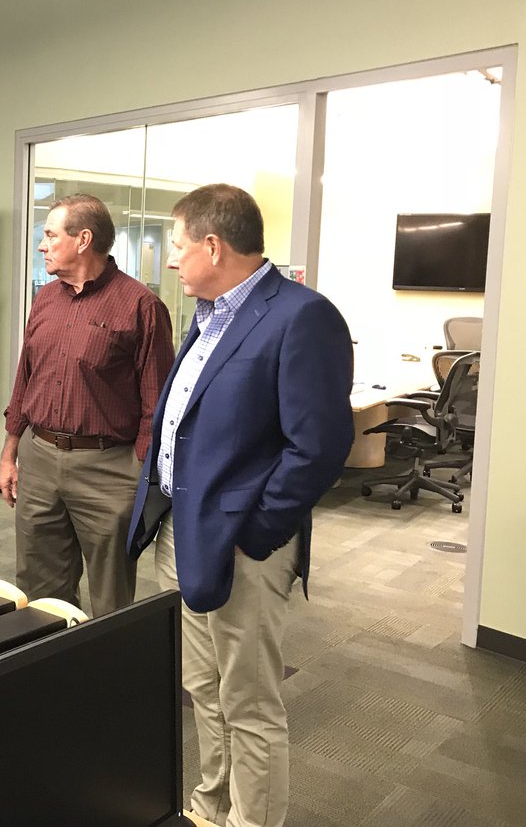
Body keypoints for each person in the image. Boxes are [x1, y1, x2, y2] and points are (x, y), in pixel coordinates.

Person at [127, 184, 353, 827]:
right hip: (182, 528)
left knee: (250, 702)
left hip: (241, 543)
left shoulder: (302, 317)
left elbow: (319, 446)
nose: (172, 258)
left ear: (212, 246)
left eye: (177, 245)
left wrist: (258, 533)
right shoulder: (207, 315)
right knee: (203, 686)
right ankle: (211, 806)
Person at [0, 193, 174, 617]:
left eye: (50, 235)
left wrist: (139, 475)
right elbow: (26, 378)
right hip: (39, 458)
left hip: (107, 468)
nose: (42, 246)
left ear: (83, 240)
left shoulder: (141, 306)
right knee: (39, 586)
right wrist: (9, 453)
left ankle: (107, 661)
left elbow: (157, 404)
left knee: (110, 595)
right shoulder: (45, 299)